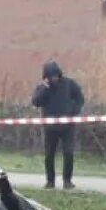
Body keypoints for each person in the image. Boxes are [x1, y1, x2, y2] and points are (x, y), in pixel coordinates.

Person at [31, 60, 84, 190]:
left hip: (67, 126)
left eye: (55, 75)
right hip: (50, 127)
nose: (54, 78)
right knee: (49, 154)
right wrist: (44, 88)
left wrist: (73, 112)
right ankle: (50, 181)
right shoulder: (42, 88)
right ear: (46, 76)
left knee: (68, 153)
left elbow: (79, 98)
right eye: (50, 76)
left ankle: (67, 181)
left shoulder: (69, 84)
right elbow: (36, 102)